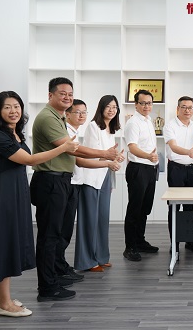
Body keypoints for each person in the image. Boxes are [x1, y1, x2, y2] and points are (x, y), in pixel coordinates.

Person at [0, 91, 78, 317]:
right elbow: (29, 160)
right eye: (7, 107)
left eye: (16, 106)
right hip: (4, 194)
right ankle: (5, 304)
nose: (13, 111)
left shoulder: (14, 134)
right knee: (4, 243)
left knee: (10, 241)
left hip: (16, 191)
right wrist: (63, 148)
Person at [30, 77, 119, 302]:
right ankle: (47, 287)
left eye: (70, 94)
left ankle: (56, 275)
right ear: (50, 95)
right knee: (50, 236)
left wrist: (106, 158)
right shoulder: (47, 118)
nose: (67, 97)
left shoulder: (58, 118)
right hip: (51, 180)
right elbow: (73, 150)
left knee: (60, 233)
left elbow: (74, 154)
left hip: (63, 180)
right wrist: (105, 155)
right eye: (63, 93)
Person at [74, 96, 123, 272]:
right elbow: (91, 155)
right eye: (108, 106)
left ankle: (101, 257)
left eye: (114, 107)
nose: (111, 110)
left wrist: (116, 157)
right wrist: (109, 158)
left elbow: (106, 155)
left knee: (102, 219)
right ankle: (87, 261)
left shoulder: (111, 129)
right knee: (89, 221)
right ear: (101, 108)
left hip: (105, 176)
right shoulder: (93, 126)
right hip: (91, 177)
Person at [123, 89, 160, 262]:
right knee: (135, 209)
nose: (146, 106)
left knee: (145, 209)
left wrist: (151, 160)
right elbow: (132, 147)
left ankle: (140, 241)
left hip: (150, 168)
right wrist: (148, 156)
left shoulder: (148, 120)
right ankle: (130, 247)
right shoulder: (133, 123)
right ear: (136, 104)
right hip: (138, 168)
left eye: (149, 103)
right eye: (143, 103)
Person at [163, 96, 193, 254]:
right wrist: (188, 152)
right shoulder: (170, 126)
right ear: (177, 109)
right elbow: (173, 147)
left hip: (191, 169)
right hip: (176, 169)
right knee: (175, 206)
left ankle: (190, 241)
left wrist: (192, 158)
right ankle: (175, 243)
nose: (187, 110)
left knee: (189, 206)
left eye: (190, 107)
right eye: (184, 107)